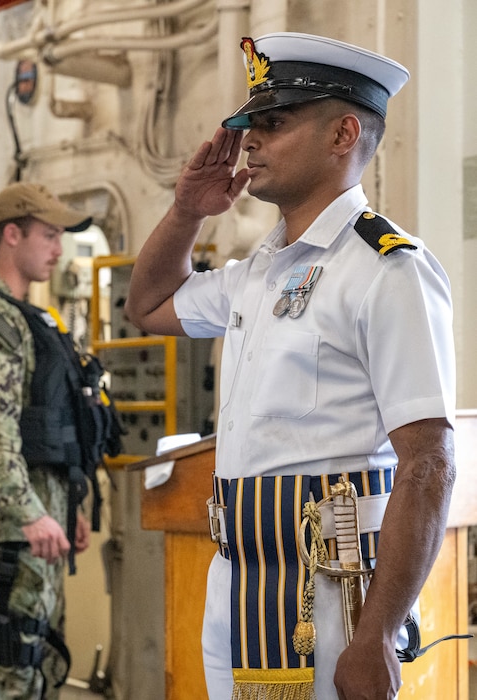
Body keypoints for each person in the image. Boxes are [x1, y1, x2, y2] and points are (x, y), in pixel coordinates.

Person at [124, 33, 455, 700]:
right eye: (253, 125)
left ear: (343, 134)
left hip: (331, 598)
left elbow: (428, 463)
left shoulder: (387, 268)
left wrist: (377, 636)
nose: (251, 142)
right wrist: (188, 209)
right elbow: (149, 304)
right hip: (238, 581)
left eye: (273, 125)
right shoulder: (259, 272)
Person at [0, 182, 119, 698]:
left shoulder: (27, 317)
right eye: (50, 235)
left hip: (35, 527)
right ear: (11, 235)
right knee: (8, 676)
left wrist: (65, 510)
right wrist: (31, 512)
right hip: (6, 535)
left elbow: (41, 428)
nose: (59, 249)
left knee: (37, 669)